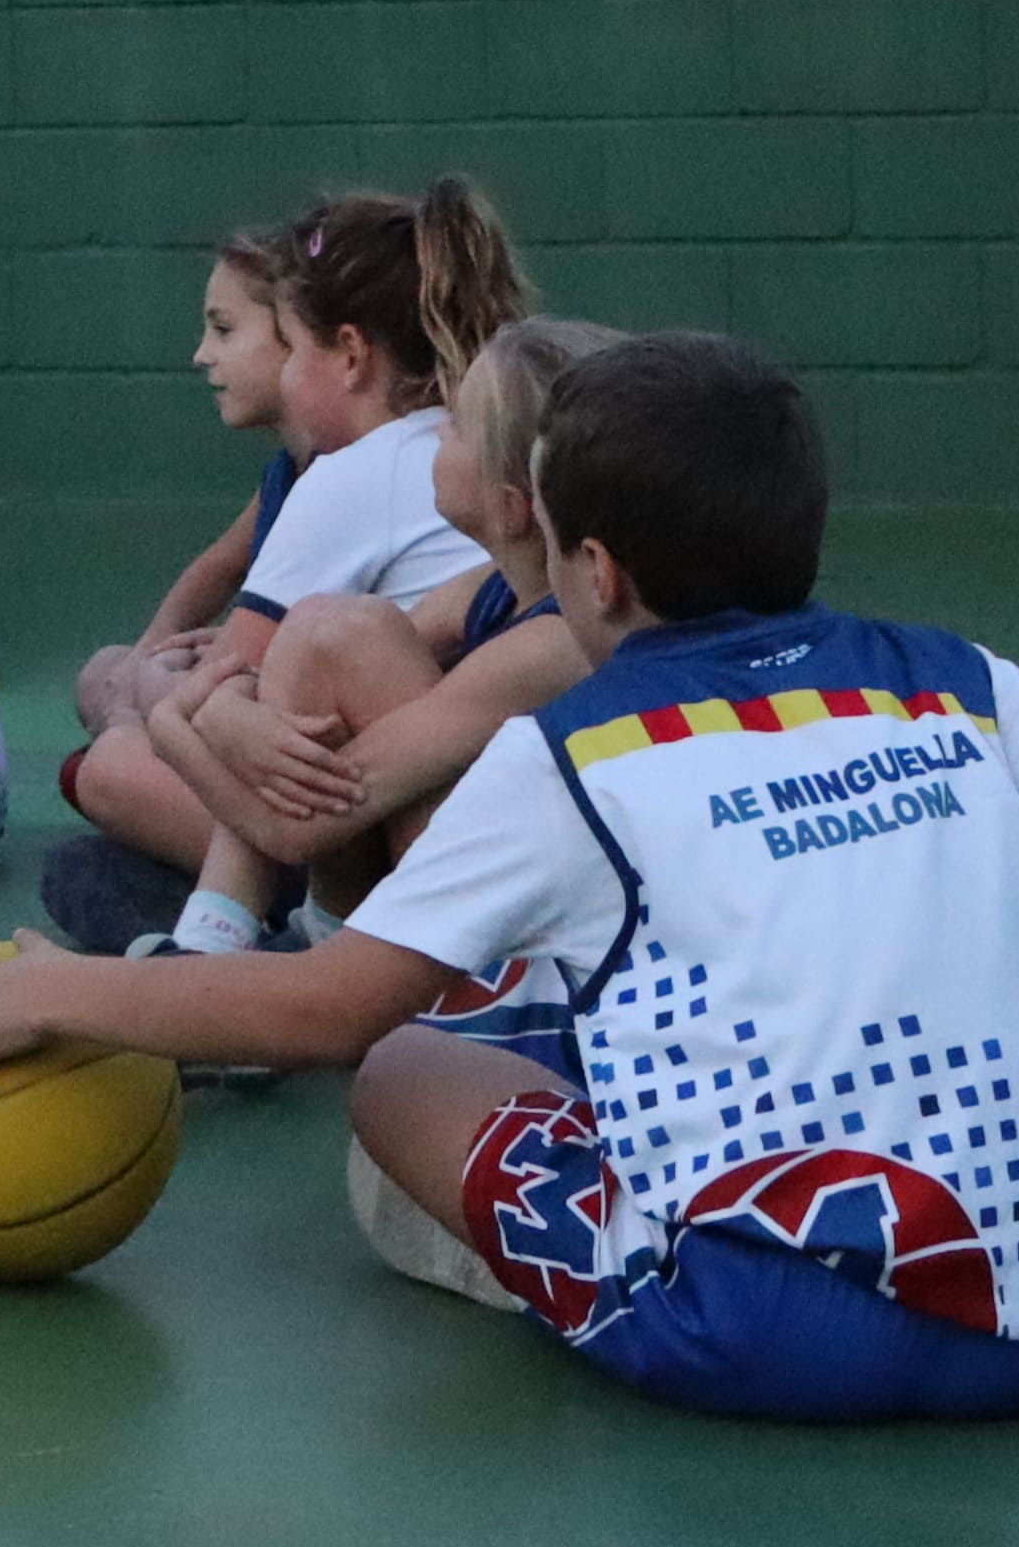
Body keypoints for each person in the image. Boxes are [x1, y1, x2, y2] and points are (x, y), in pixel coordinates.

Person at [0, 333, 1019, 1422]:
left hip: (769, 1338)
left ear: (592, 568)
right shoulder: (957, 678)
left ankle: (562, 1263)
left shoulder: (577, 745)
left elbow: (327, 1006)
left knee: (405, 1074)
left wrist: (65, 988)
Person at [58, 176, 530, 941]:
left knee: (115, 773)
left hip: (434, 862)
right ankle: (236, 937)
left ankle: (228, 942)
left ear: (347, 355)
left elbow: (221, 698)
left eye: (291, 347)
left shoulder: (355, 473)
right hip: (462, 816)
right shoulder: (437, 460)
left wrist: (174, 699)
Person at [138, 313, 621, 961]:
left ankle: (270, 951)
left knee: (341, 634)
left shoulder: (553, 647)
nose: (433, 435)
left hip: (514, 941)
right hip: (458, 875)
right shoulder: (496, 587)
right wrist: (229, 713)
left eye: (454, 427)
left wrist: (177, 724)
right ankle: (219, 940)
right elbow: (309, 667)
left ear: (511, 507)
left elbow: (294, 828)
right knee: (326, 627)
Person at [37, 226, 303, 950]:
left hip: (311, 814)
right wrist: (139, 669)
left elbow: (252, 682)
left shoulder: (344, 482)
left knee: (109, 771)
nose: (201, 353)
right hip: (255, 745)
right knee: (103, 678)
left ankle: (265, 932)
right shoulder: (290, 467)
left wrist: (147, 706)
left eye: (223, 330)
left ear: (303, 343)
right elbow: (218, 567)